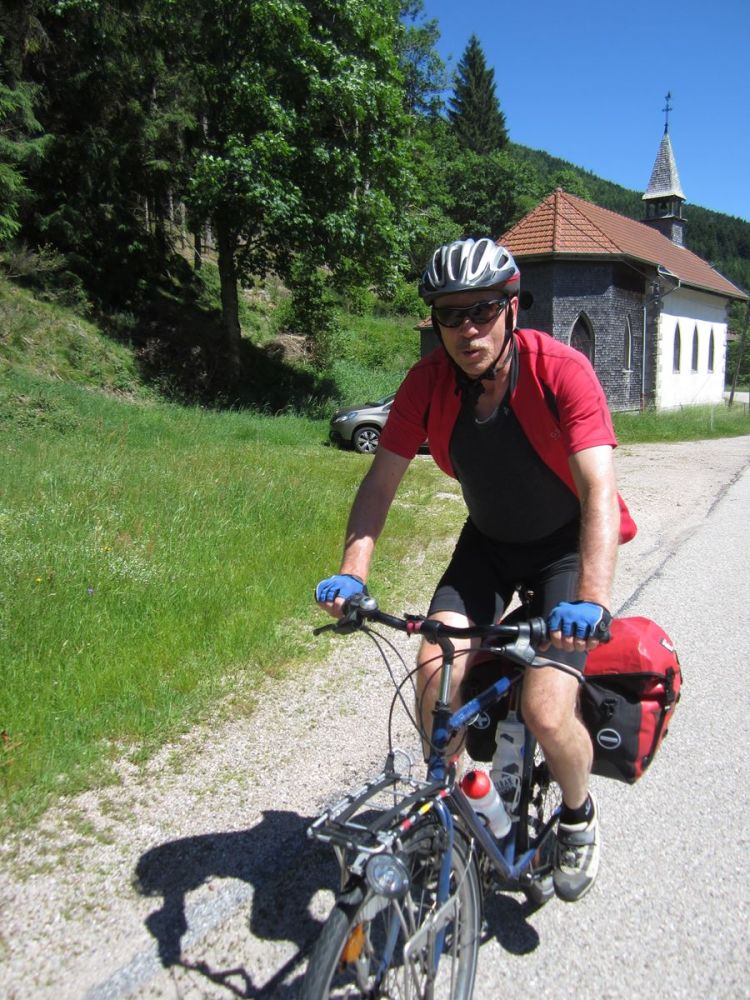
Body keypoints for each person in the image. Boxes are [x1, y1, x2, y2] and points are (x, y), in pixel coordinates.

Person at [315, 237, 636, 902]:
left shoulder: (561, 371)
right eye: (450, 315)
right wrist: (353, 571)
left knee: (546, 708)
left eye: (483, 310)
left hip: (564, 549)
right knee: (434, 667)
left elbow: (600, 494)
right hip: (488, 543)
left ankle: (578, 816)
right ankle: (457, 803)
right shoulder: (427, 383)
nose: (467, 330)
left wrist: (593, 600)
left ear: (512, 308)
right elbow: (380, 483)